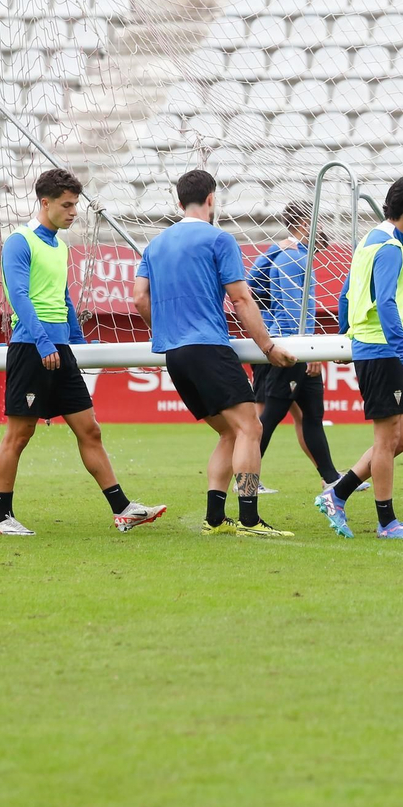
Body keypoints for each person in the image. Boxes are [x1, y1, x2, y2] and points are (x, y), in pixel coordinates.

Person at [0, 168, 166, 536]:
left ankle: (123, 509)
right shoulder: (20, 242)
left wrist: (77, 342)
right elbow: (19, 297)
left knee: (91, 430)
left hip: (59, 349)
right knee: (18, 436)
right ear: (45, 202)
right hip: (30, 348)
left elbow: (63, 297)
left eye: (75, 205)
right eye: (67, 205)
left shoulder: (60, 245)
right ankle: (3, 519)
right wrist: (42, 341)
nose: (73, 212)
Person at [132, 169, 297, 536]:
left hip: (175, 355)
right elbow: (240, 297)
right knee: (251, 427)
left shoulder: (154, 245)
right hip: (207, 346)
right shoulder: (219, 239)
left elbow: (139, 297)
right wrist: (267, 347)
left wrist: (164, 329)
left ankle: (215, 518)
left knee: (229, 433)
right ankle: (251, 519)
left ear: (179, 202)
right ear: (211, 199)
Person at [315, 176, 403, 539]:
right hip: (382, 351)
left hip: (373, 347)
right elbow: (385, 304)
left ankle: (337, 493)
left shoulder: (369, 241)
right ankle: (386, 523)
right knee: (387, 440)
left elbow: (346, 294)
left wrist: (343, 336)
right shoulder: (389, 250)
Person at [248, 200, 338, 493]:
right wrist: (306, 349)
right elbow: (292, 310)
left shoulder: (286, 253)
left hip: (289, 345)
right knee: (267, 419)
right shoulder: (292, 258)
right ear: (305, 224)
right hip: (290, 349)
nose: (322, 228)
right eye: (318, 222)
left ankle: (331, 478)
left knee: (311, 415)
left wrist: (274, 250)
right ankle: (245, 482)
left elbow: (252, 287)